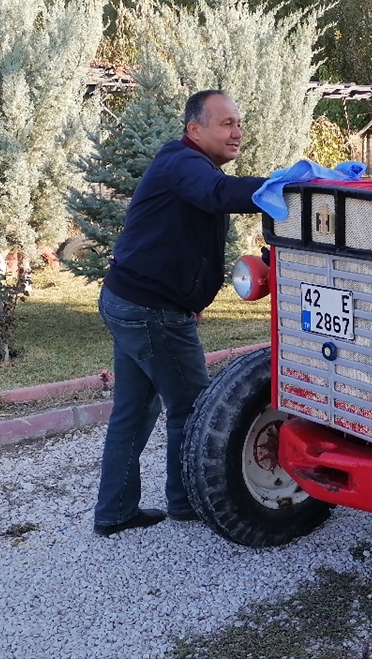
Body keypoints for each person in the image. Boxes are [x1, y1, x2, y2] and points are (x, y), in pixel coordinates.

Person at [93, 90, 267, 537]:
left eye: (239, 123)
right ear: (194, 129)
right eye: (226, 123)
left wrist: (188, 302)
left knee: (132, 410)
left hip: (130, 300)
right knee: (193, 407)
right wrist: (288, 183)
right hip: (150, 309)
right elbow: (220, 194)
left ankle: (115, 511)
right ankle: (187, 501)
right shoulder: (184, 164)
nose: (237, 131)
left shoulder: (187, 163)